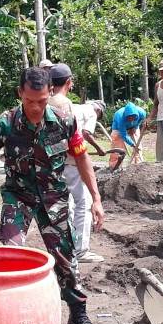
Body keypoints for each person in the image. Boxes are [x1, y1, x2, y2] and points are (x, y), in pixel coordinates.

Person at [0, 67, 105, 324]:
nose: (35, 107)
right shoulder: (4, 123)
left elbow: (81, 157)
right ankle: (10, 316)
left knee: (66, 259)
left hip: (53, 198)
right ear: (20, 93)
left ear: (50, 93)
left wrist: (96, 199)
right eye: (29, 101)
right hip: (17, 197)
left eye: (41, 101)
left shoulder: (65, 119)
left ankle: (78, 314)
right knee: (11, 253)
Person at [48, 64, 105, 264]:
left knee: (66, 205)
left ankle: (63, 246)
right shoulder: (72, 108)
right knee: (84, 204)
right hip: (72, 162)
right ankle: (80, 250)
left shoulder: (43, 102)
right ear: (69, 82)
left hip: (51, 165)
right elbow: (79, 144)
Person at [109, 102, 147, 168]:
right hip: (118, 129)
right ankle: (115, 166)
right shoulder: (120, 116)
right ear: (125, 115)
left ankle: (137, 165)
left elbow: (141, 119)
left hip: (133, 127)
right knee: (117, 148)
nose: (131, 120)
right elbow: (123, 135)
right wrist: (132, 144)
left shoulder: (141, 112)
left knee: (138, 147)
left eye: (133, 118)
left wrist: (135, 127)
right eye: (129, 118)